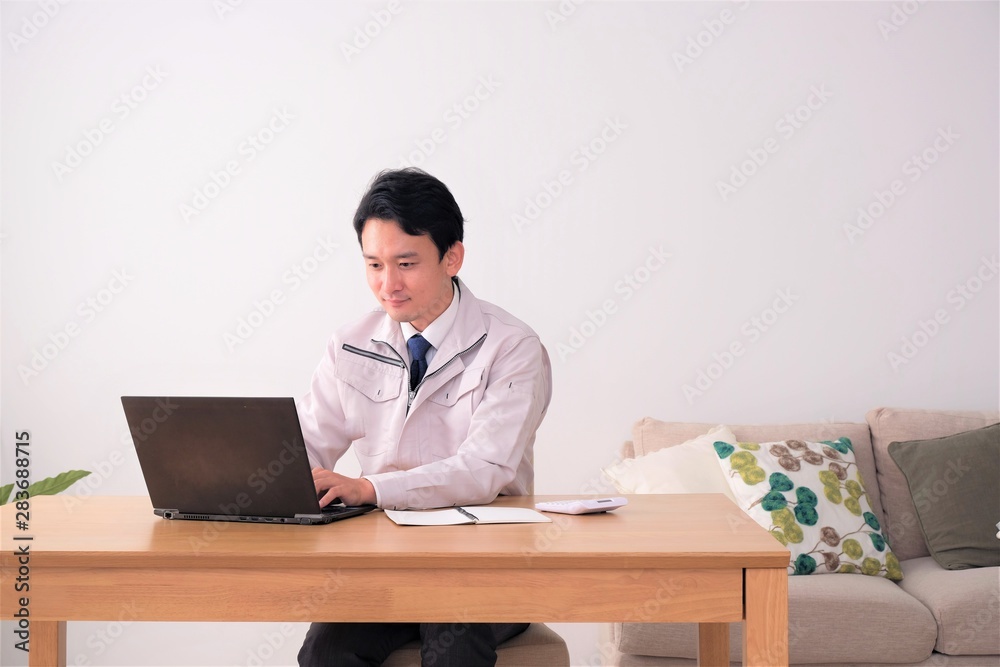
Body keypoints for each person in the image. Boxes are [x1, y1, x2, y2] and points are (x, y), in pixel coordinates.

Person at [295, 167, 552, 667]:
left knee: (451, 640)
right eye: (374, 265)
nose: (388, 284)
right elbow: (305, 444)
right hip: (386, 562)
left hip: (484, 562)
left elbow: (484, 470)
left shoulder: (511, 346)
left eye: (406, 264)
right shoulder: (349, 343)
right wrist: (267, 480)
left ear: (452, 256)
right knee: (325, 652)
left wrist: (369, 488)